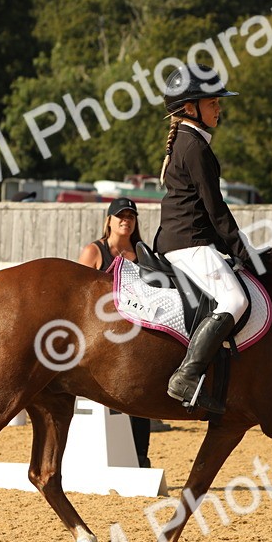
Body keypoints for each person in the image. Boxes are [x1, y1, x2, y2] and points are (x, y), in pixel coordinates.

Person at [154, 64, 251, 414]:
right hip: (189, 244)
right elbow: (216, 209)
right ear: (191, 107)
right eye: (213, 103)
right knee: (235, 301)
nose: (219, 109)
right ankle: (188, 375)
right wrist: (245, 252)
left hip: (184, 240)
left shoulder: (188, 140)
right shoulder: (194, 146)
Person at [77, 197, 155, 467]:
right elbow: (77, 298)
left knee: (141, 392)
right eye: (120, 215)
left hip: (135, 334)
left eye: (131, 216)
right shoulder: (94, 252)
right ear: (108, 220)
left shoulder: (143, 253)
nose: (126, 220)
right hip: (100, 333)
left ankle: (140, 458)